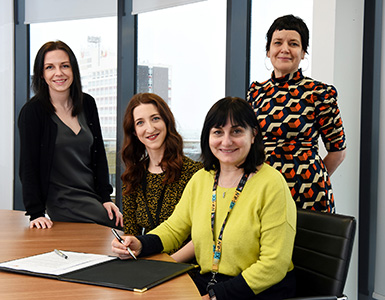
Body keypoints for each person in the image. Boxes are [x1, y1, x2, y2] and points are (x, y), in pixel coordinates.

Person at [112, 97, 297, 300]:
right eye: (218, 132)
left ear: (253, 134)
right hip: (209, 281)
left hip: (256, 291)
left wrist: (214, 296)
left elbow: (274, 264)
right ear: (207, 137)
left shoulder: (272, 183)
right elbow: (174, 229)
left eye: (236, 131)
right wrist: (141, 244)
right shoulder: (202, 179)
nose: (226, 141)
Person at [247, 14, 347, 213]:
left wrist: (312, 176)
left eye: (293, 43)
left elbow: (338, 151)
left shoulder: (319, 93)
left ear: (303, 53)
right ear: (268, 51)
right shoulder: (256, 93)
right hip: (263, 188)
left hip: (310, 193)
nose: (285, 49)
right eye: (277, 43)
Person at [18, 41, 122, 229]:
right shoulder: (33, 112)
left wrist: (106, 198)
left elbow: (98, 154)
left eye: (64, 66)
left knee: (119, 226)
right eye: (50, 67)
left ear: (73, 70)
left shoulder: (87, 103)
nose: (59, 73)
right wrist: (36, 213)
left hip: (92, 198)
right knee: (118, 229)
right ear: (42, 74)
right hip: (61, 202)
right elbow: (28, 165)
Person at [120, 92, 202, 262]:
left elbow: (201, 236)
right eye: (140, 123)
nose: (150, 128)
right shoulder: (133, 176)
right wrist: (124, 247)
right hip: (149, 261)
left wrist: (168, 263)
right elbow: (131, 232)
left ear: (167, 121)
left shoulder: (194, 172)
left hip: (185, 266)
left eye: (155, 118)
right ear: (134, 132)